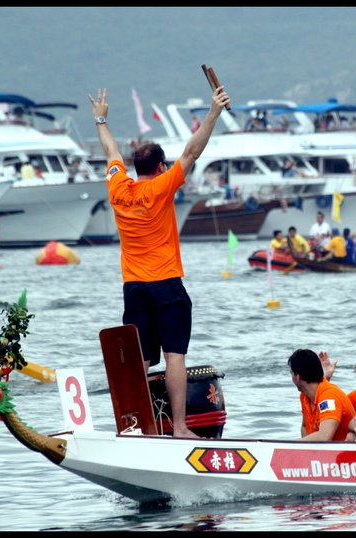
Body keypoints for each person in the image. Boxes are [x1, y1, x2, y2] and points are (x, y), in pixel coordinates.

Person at [89, 83, 230, 438]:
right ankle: (180, 427)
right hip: (166, 283)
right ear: (161, 166)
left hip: (133, 287)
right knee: (174, 357)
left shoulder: (119, 188)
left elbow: (110, 151)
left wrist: (101, 119)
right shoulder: (162, 186)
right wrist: (213, 112)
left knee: (140, 361)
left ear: (135, 167)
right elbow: (193, 152)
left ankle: (143, 427)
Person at [289, 348, 356, 441]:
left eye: (291, 373)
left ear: (297, 377)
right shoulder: (305, 396)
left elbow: (325, 436)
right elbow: (304, 427)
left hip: (345, 452)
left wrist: (288, 446)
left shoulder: (329, 397)